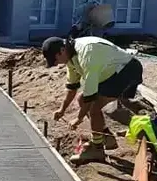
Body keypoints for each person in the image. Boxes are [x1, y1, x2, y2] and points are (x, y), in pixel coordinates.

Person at [42, 35, 143, 164]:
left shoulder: (87, 54)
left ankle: (97, 149)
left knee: (93, 107)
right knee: (81, 100)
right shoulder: (70, 58)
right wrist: (62, 110)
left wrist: (79, 118)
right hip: (110, 74)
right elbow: (72, 88)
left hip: (126, 70)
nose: (56, 64)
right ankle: (106, 138)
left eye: (55, 60)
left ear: (62, 50)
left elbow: (90, 95)